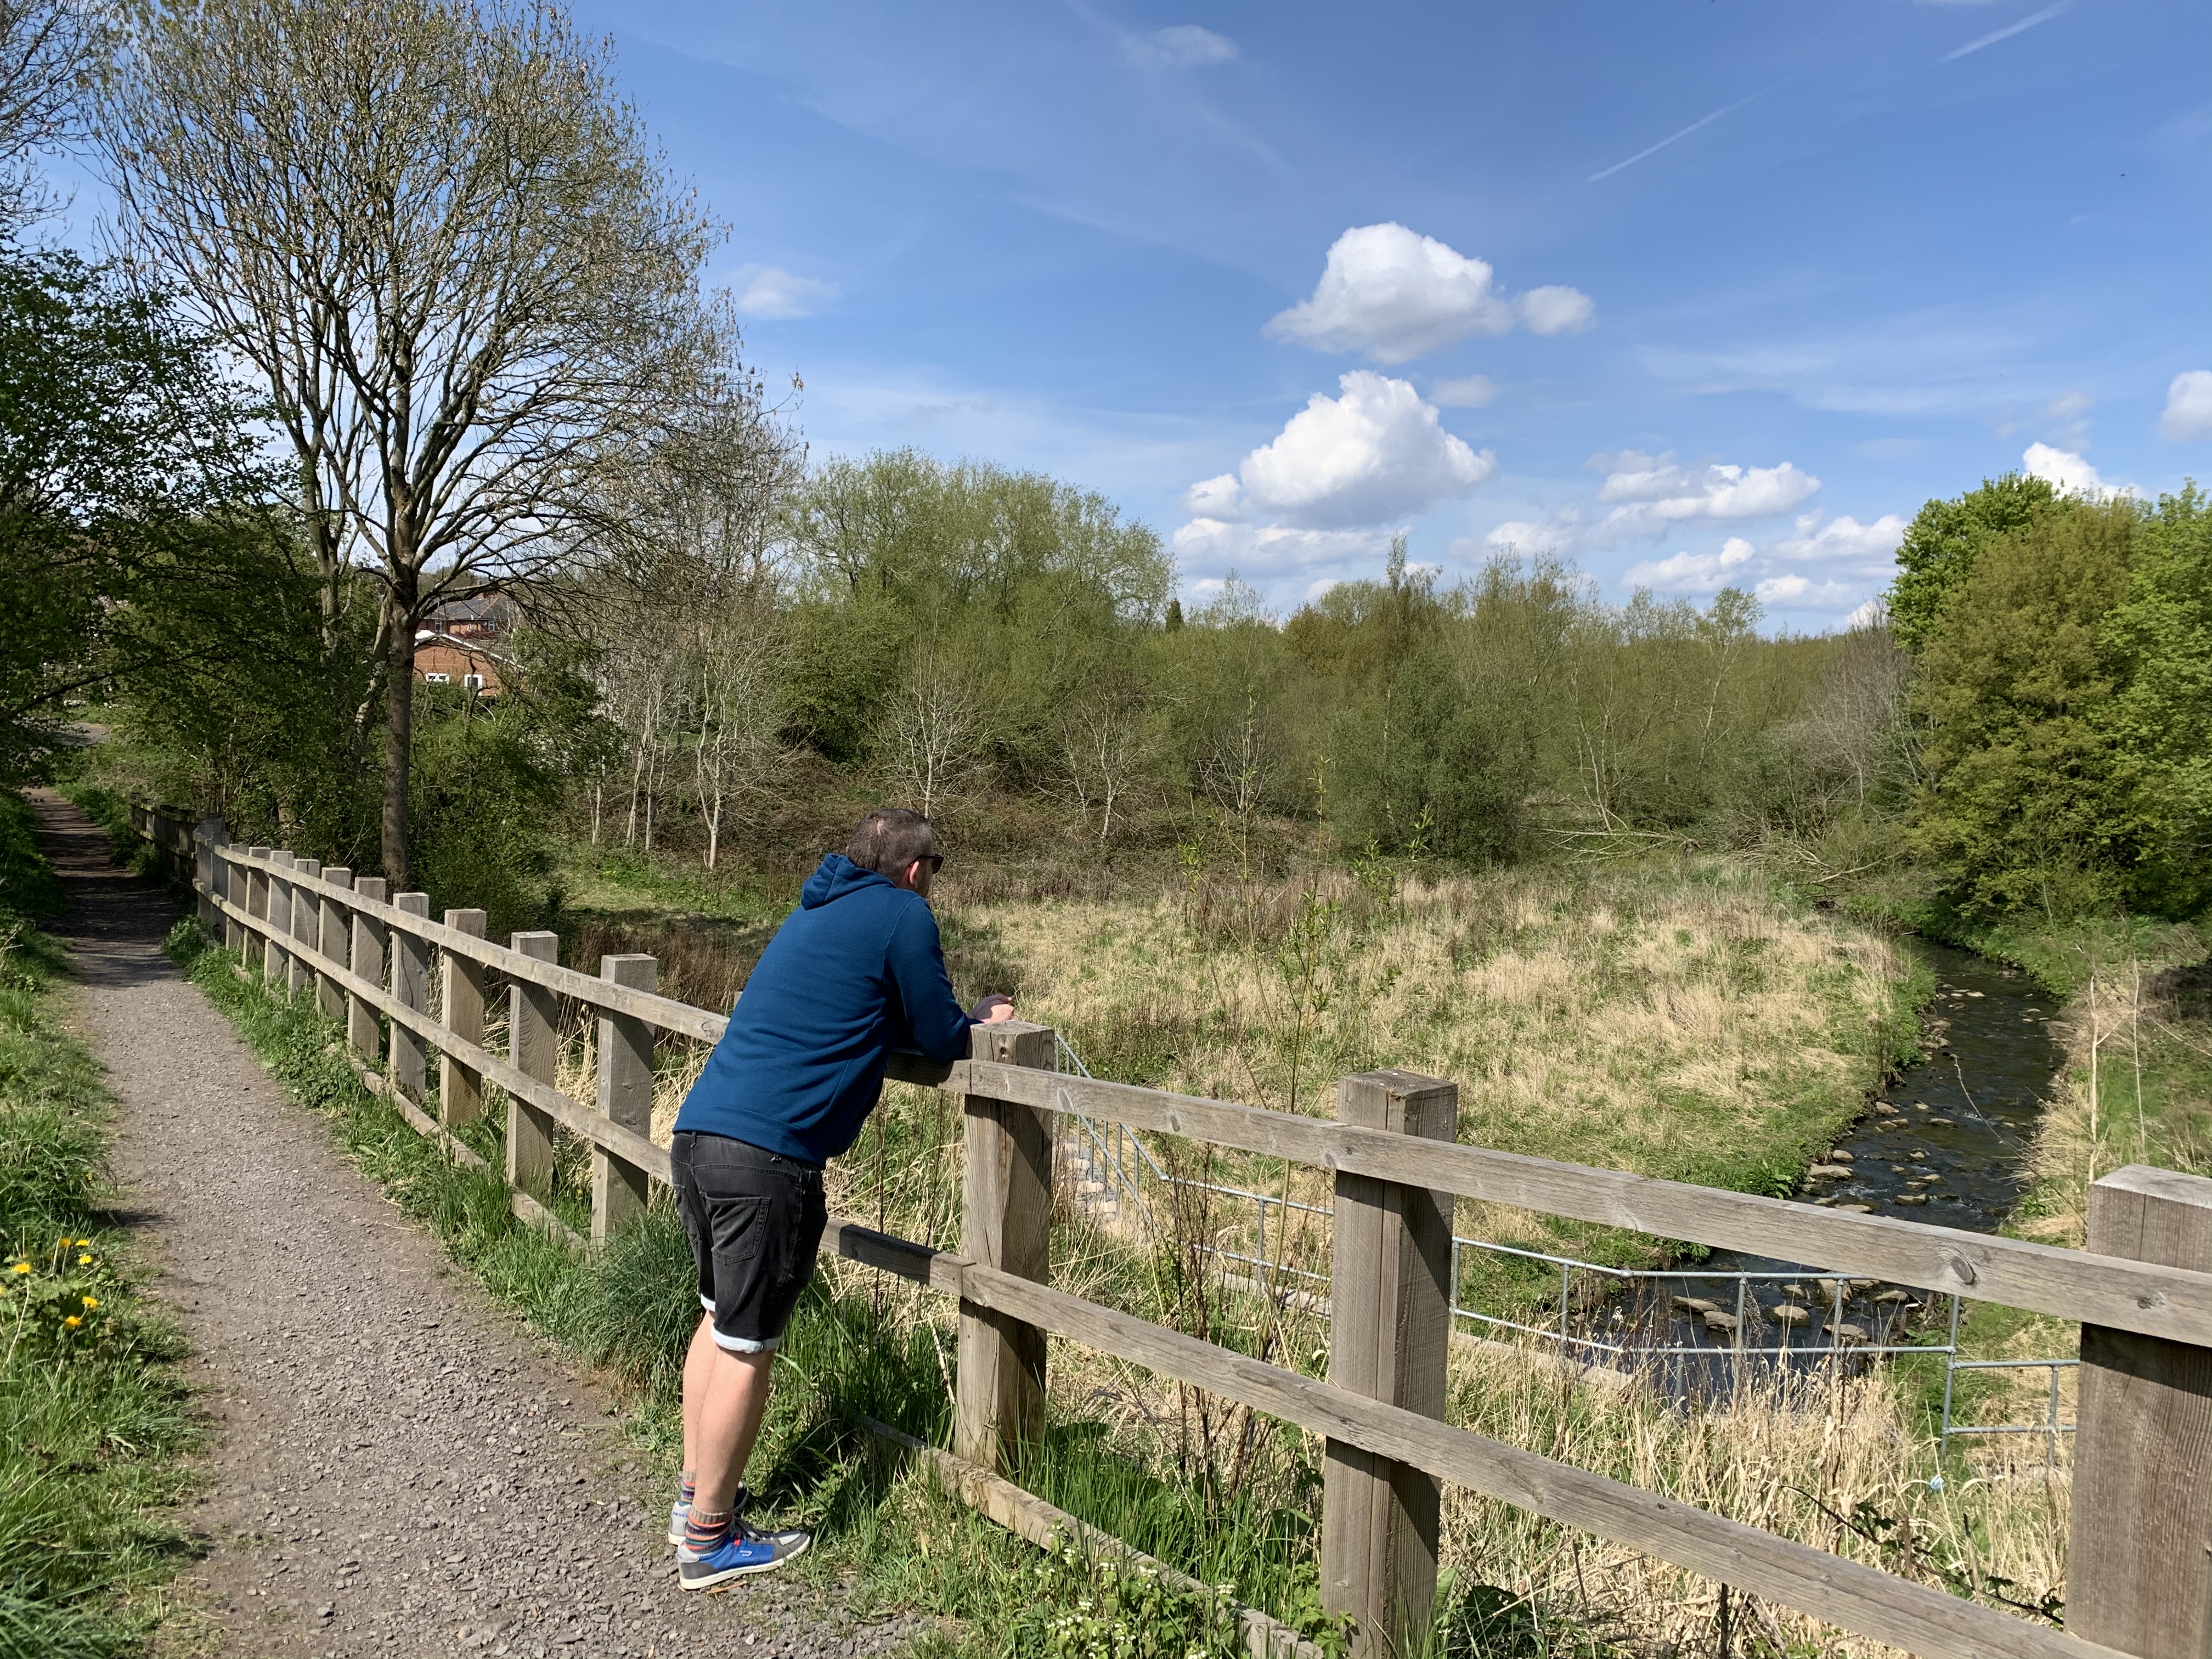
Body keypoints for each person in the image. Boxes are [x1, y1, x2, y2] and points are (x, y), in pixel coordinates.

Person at [665, 807, 1014, 1590]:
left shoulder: (815, 907)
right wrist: (980, 1019)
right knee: (746, 1347)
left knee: (718, 1321)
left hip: (700, 1137)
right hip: (768, 1159)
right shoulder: (903, 914)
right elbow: (937, 1034)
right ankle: (710, 1540)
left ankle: (695, 1500)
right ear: (919, 871)